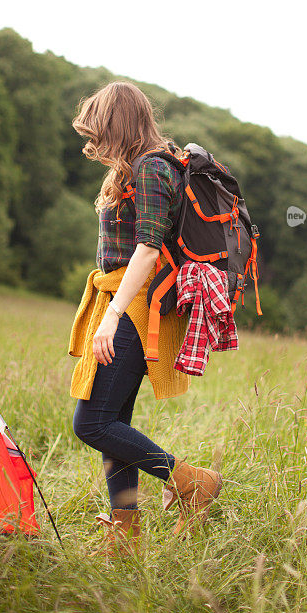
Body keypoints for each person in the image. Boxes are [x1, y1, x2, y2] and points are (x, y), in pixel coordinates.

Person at [68, 80, 223, 558]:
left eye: (100, 130)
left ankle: (193, 481)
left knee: (92, 422)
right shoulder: (138, 167)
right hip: (126, 300)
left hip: (136, 307)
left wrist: (112, 315)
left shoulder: (153, 167)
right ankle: (125, 534)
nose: (94, 143)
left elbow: (149, 247)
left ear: (120, 124)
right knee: (114, 420)